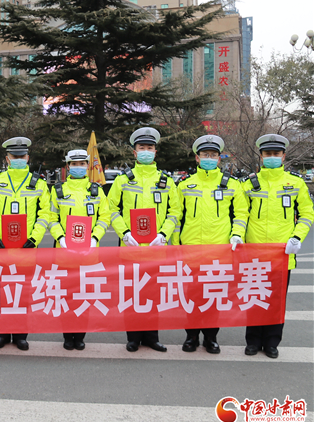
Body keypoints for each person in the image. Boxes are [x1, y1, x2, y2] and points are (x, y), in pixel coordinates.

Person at [173, 135, 249, 354]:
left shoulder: (232, 184)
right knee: (191, 296)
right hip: (191, 250)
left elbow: (241, 213)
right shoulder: (185, 184)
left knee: (214, 295)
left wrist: (237, 235)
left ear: (219, 158)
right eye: (205, 154)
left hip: (219, 250)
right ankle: (191, 336)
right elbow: (177, 216)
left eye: (213, 155)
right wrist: (176, 246)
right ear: (197, 158)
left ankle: (211, 337)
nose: (209, 158)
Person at [107, 127, 180, 353]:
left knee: (153, 294)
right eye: (142, 148)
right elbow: (111, 209)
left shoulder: (166, 181)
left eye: (150, 148)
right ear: (134, 152)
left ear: (155, 152)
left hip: (156, 247)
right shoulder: (123, 180)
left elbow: (175, 211)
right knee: (131, 293)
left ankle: (152, 337)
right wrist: (124, 233)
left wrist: (164, 234)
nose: (146, 151)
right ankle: (133, 338)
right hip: (131, 247)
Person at [241, 134, 313, 359]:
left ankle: (272, 342)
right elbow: (241, 215)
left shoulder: (295, 183)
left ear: (283, 156)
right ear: (261, 156)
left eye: (276, 153)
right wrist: (238, 238)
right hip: (254, 252)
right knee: (254, 297)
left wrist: (297, 238)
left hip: (282, 252)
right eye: (267, 154)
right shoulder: (249, 183)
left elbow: (307, 214)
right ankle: (253, 341)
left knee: (276, 300)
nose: (271, 157)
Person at [0, 137, 52, 351]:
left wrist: (34, 238)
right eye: (14, 156)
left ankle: (21, 335)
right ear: (7, 158)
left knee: (23, 295)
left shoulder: (39, 184)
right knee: (2, 294)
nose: (18, 159)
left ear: (28, 158)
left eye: (22, 156)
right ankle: (2, 334)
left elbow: (45, 215)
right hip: (0, 250)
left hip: (26, 250)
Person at [49, 149, 111, 351]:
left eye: (82, 164)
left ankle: (81, 336)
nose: (78, 167)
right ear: (68, 167)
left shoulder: (96, 190)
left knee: (85, 297)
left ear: (87, 166)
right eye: (74, 164)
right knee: (66, 297)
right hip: (64, 254)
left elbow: (104, 217)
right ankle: (68, 336)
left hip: (88, 255)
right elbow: (52, 218)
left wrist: (95, 238)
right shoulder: (58, 190)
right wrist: (60, 238)